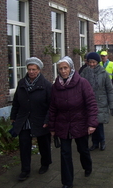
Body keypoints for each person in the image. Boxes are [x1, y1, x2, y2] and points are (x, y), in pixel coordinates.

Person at [44, 56, 98, 188]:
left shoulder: (82, 83)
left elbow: (91, 103)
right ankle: (67, 182)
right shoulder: (56, 86)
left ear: (71, 68)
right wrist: (52, 127)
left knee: (82, 149)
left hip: (80, 122)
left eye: (65, 68)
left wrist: (92, 123)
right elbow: (52, 108)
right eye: (60, 68)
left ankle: (87, 166)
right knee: (65, 154)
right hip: (63, 125)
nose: (63, 71)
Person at [10, 57, 52, 181]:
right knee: (24, 145)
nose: (31, 72)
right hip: (24, 119)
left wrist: (47, 120)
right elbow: (16, 102)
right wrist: (13, 117)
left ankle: (45, 164)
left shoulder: (46, 85)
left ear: (39, 70)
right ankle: (25, 170)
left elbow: (51, 105)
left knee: (43, 144)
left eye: (34, 69)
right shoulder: (22, 83)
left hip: (40, 119)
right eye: (29, 69)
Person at [80, 52, 113, 151]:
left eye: (94, 62)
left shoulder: (103, 73)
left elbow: (110, 89)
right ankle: (95, 143)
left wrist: (112, 105)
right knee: (91, 123)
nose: (91, 64)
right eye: (90, 62)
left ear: (97, 62)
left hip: (100, 102)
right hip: (88, 103)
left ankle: (102, 141)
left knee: (99, 124)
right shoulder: (84, 72)